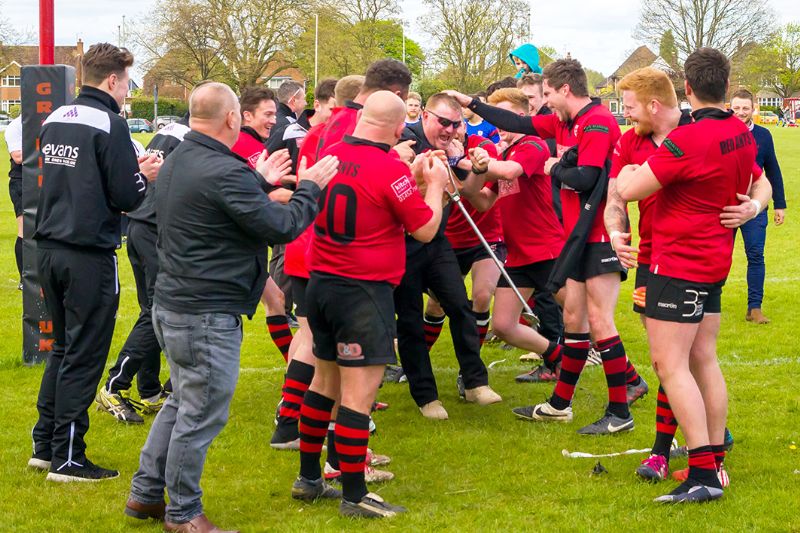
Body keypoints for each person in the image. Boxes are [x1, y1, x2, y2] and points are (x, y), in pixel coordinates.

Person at [125, 82, 339, 531]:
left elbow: (218, 208)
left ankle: (146, 494)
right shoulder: (222, 169)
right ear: (231, 118)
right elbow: (281, 225)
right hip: (205, 308)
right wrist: (311, 188)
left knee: (182, 402)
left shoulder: (183, 156)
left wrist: (257, 180)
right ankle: (183, 513)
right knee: (200, 411)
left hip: (176, 300)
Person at [447, 58, 647, 434]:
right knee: (574, 322)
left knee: (599, 322)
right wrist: (471, 103)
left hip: (599, 234)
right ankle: (560, 405)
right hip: (575, 236)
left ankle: (621, 409)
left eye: (548, 94)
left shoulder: (598, 121)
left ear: (565, 89)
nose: (544, 102)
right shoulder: (562, 123)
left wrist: (556, 166)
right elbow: (518, 123)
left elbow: (587, 176)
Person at [615, 48, 772, 503]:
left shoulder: (688, 140)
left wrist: (629, 169)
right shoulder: (741, 133)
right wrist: (755, 205)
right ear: (727, 86)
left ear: (687, 89)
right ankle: (714, 461)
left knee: (671, 365)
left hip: (677, 264)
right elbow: (760, 180)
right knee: (704, 359)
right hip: (713, 264)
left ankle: (702, 473)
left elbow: (629, 188)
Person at [291, 90, 447, 518]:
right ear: (399, 128)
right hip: (362, 292)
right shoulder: (387, 168)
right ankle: (355, 495)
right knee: (358, 396)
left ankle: (308, 478)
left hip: (320, 282)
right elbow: (425, 229)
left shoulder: (331, 152)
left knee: (323, 385)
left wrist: (409, 179)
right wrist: (433, 186)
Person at [29, 43, 161, 482]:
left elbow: (79, 176)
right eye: (128, 82)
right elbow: (128, 196)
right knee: (84, 354)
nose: (128, 91)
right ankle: (69, 457)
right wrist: (147, 175)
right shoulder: (110, 122)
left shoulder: (56, 117)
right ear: (112, 80)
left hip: (47, 246)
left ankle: (45, 445)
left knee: (63, 348)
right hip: (87, 252)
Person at [603, 67, 692, 482]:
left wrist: (755, 205)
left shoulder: (696, 132)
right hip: (650, 261)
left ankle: (665, 449)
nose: (626, 115)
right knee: (666, 361)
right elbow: (615, 197)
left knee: (683, 360)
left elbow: (758, 178)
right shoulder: (628, 141)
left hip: (692, 263)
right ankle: (702, 429)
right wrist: (616, 233)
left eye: (631, 107)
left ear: (654, 105)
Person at [398, 93, 502, 419]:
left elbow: (462, 193)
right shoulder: (405, 142)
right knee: (411, 320)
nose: (450, 129)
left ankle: (475, 382)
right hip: (403, 245)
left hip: (437, 241)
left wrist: (475, 168)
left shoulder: (453, 148)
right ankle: (426, 396)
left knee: (459, 305)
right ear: (426, 116)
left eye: (456, 124)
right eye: (443, 122)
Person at [457, 88, 566, 378]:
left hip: (546, 250)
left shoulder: (533, 145)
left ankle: (626, 376)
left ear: (519, 117)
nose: (496, 124)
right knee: (503, 325)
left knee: (586, 317)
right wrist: (456, 171)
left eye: (501, 117)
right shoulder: (503, 153)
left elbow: (509, 172)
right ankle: (557, 357)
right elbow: (478, 200)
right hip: (518, 254)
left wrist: (478, 164)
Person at [96, 114, 190, 424]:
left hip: (138, 224)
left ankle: (149, 389)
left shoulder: (167, 132)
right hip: (155, 229)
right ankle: (114, 385)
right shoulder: (192, 139)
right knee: (156, 311)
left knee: (150, 309)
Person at [230, 86, 297, 362]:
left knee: (276, 300)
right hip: (235, 246)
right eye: (267, 114)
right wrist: (310, 198)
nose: (274, 120)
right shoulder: (245, 146)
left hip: (244, 243)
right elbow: (268, 194)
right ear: (246, 115)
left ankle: (296, 377)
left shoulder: (255, 145)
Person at [730, 89, 787, 324]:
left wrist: (779, 205)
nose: (741, 112)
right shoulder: (721, 133)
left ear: (753, 108)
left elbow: (772, 168)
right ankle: (706, 305)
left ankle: (754, 308)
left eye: (745, 108)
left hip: (756, 206)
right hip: (726, 208)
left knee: (755, 255)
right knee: (718, 255)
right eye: (736, 108)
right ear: (729, 108)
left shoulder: (763, 135)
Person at [4, 115, 23, 286]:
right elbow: (18, 156)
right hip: (21, 182)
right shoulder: (15, 126)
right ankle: (25, 278)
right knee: (24, 229)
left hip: (45, 181)